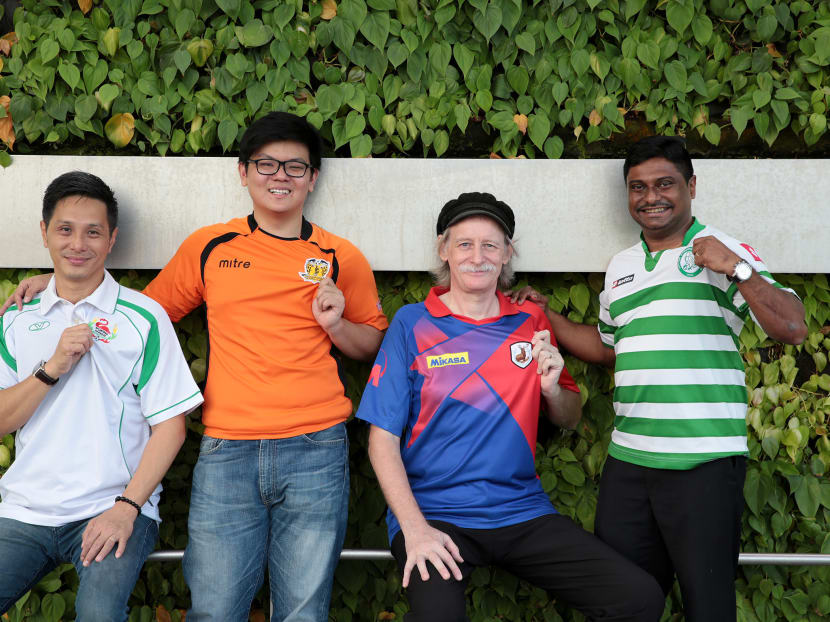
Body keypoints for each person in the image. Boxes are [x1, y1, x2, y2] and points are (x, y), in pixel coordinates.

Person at [2, 112, 388, 621]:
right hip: (227, 448)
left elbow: (373, 343)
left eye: (295, 167)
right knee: (213, 610)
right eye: (266, 164)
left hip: (317, 445)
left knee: (303, 612)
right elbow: (134, 312)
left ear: (313, 178)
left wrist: (337, 326)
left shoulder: (341, 256)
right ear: (243, 172)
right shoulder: (210, 247)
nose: (280, 177)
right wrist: (50, 286)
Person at [514, 136, 807, 621]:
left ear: (691, 186)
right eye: (638, 187)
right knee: (625, 603)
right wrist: (549, 319)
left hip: (704, 464)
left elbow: (793, 327)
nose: (651, 196)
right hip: (628, 465)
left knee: (708, 609)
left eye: (665, 183)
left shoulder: (722, 251)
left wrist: (733, 267)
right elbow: (610, 347)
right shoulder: (622, 267)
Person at [356, 192, 664, 622]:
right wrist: (414, 528)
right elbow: (382, 440)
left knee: (638, 598)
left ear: (507, 254)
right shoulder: (411, 322)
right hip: (437, 516)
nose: (477, 256)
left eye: (490, 245)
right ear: (444, 251)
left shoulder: (529, 321)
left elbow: (571, 417)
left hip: (521, 511)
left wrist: (554, 389)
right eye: (464, 244)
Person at [0, 171, 203, 620]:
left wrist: (126, 508)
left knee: (99, 615)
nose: (78, 244)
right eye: (65, 229)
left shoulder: (144, 317)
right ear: (44, 233)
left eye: (93, 232)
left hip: (110, 506)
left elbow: (170, 426)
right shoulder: (15, 317)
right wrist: (51, 369)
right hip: (25, 511)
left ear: (112, 239)